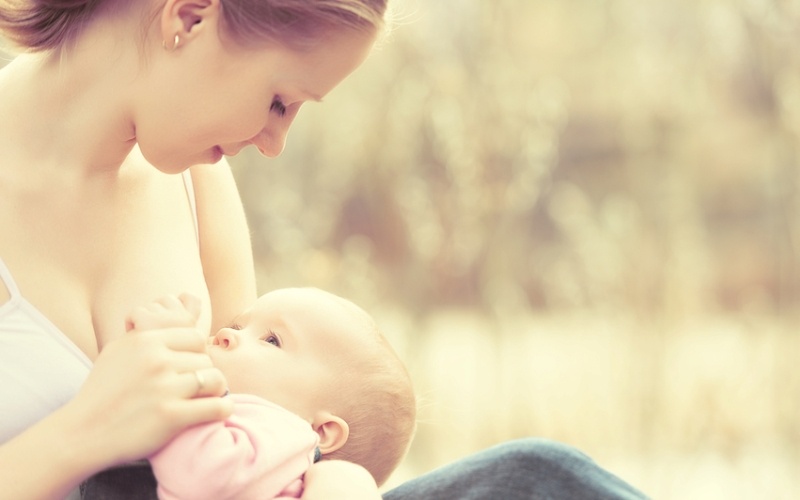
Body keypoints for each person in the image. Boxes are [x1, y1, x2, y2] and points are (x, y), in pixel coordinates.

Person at [0, 0, 649, 498]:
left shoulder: (199, 184)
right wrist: (84, 432)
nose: (274, 142)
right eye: (279, 101)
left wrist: (331, 477)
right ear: (191, 15)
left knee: (534, 479)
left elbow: (260, 424)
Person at [129, 289, 415, 499]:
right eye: (239, 325)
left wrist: (173, 363)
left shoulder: (284, 429)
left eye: (271, 340)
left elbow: (207, 475)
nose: (228, 333)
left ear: (322, 432)